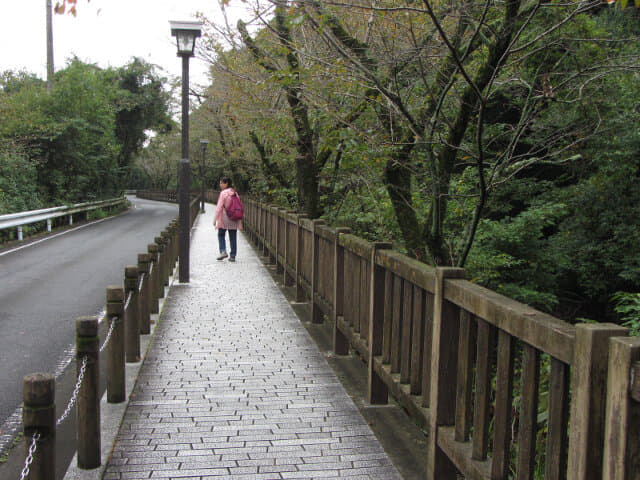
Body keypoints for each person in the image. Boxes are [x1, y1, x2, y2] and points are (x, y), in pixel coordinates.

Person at [213, 176, 242, 261]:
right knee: (233, 236)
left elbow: (219, 207)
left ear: (226, 183)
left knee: (221, 234)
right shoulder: (235, 193)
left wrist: (215, 219)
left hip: (225, 217)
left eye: (221, 183)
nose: (220, 184)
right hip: (234, 217)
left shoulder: (223, 193)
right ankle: (233, 255)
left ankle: (223, 251)